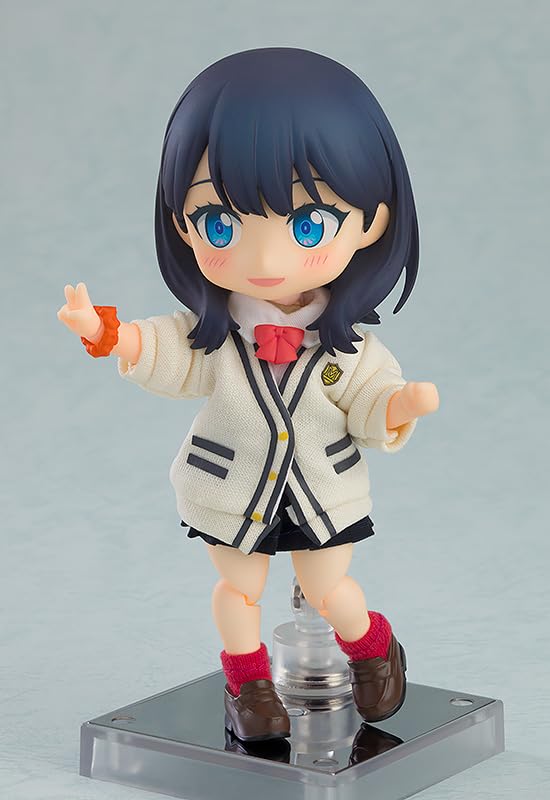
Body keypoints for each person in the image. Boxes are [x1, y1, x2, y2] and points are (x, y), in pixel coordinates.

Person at [57, 48, 439, 742]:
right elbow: (164, 351)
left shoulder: (346, 346)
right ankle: (248, 684)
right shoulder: (213, 334)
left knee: (330, 587)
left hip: (323, 489)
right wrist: (106, 333)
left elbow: (368, 397)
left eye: (308, 225)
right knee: (239, 589)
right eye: (220, 224)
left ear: (374, 221)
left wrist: (398, 406)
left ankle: (373, 646)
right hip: (230, 489)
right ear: (182, 223)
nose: (264, 262)